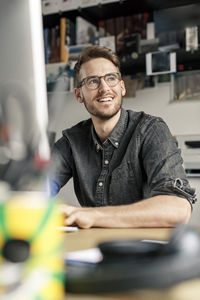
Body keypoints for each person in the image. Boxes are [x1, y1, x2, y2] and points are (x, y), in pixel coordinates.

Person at [50, 45, 196, 229]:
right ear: (79, 95)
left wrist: (92, 215)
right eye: (92, 81)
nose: (104, 88)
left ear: (122, 87)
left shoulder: (151, 130)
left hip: (144, 249)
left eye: (111, 78)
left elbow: (178, 209)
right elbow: (32, 190)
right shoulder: (71, 142)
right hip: (93, 249)